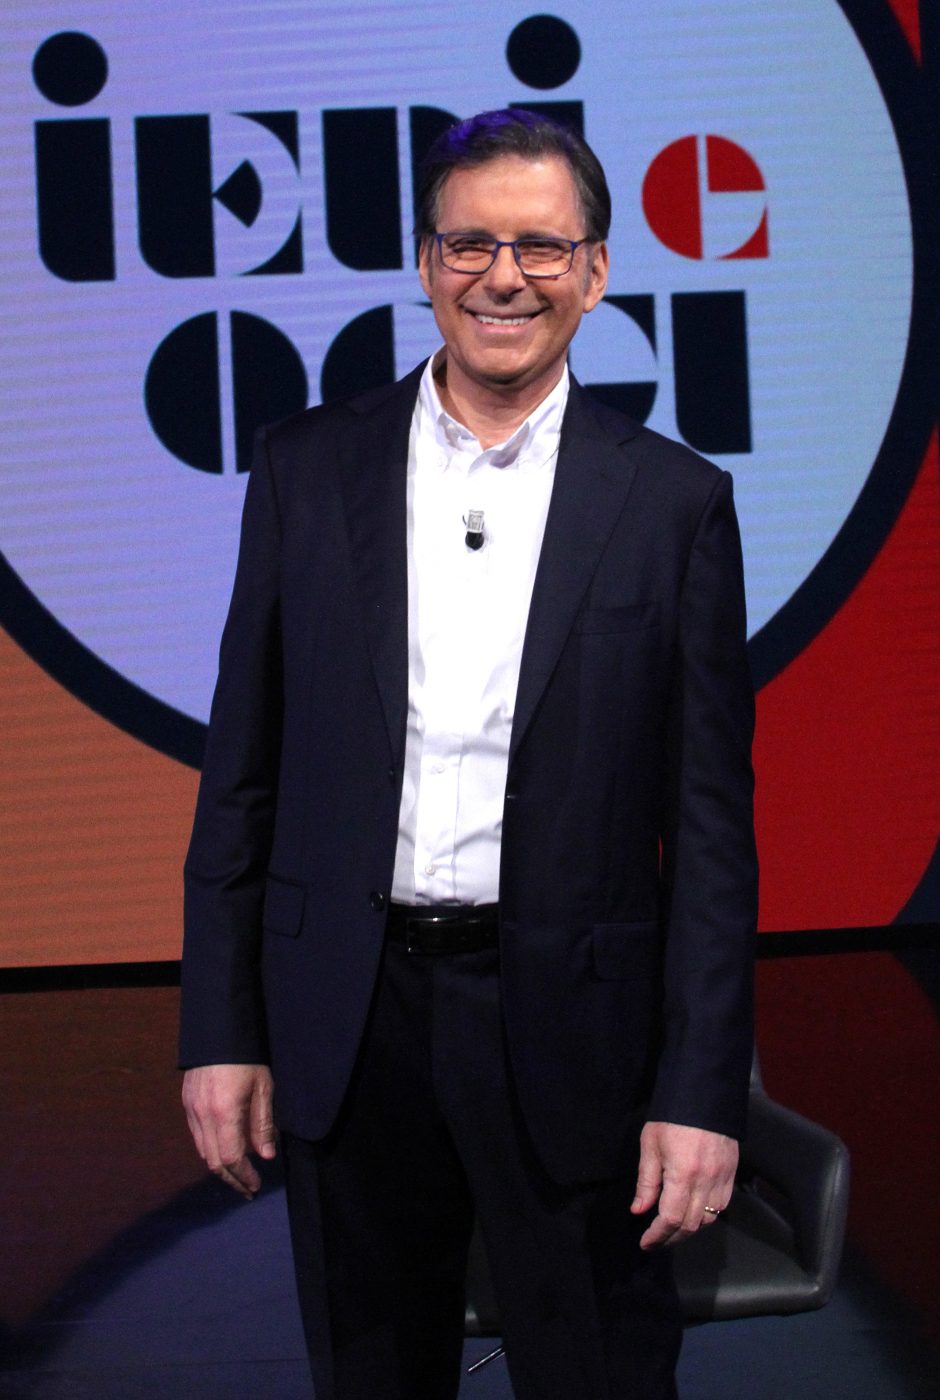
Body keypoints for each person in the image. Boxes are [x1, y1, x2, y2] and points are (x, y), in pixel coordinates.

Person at [180, 108, 757, 1400]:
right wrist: (219, 1029)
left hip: (576, 1032)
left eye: (541, 247)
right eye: (471, 244)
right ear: (425, 264)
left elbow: (713, 835)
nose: (506, 277)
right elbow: (242, 777)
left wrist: (701, 1092)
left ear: (594, 273)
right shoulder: (306, 469)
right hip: (350, 1021)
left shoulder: (674, 506)